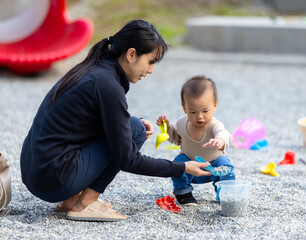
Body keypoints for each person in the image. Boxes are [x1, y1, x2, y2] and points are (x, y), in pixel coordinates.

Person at [20, 20, 211, 222]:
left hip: (35, 171)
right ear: (131, 54)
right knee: (135, 130)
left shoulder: (95, 68)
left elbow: (83, 121)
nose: (151, 70)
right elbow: (127, 159)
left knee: (133, 125)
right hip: (53, 179)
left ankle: (71, 199)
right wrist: (182, 168)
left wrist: (129, 123)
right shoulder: (107, 84)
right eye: (150, 61)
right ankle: (85, 203)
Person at [156, 75, 236, 206]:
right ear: (184, 109)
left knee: (227, 166)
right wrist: (167, 128)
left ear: (215, 106)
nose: (199, 117)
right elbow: (176, 139)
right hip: (190, 162)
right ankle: (183, 192)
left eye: (205, 111)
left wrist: (220, 141)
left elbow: (223, 133)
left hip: (214, 163)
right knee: (177, 164)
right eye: (192, 112)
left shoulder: (214, 125)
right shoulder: (182, 123)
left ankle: (225, 193)